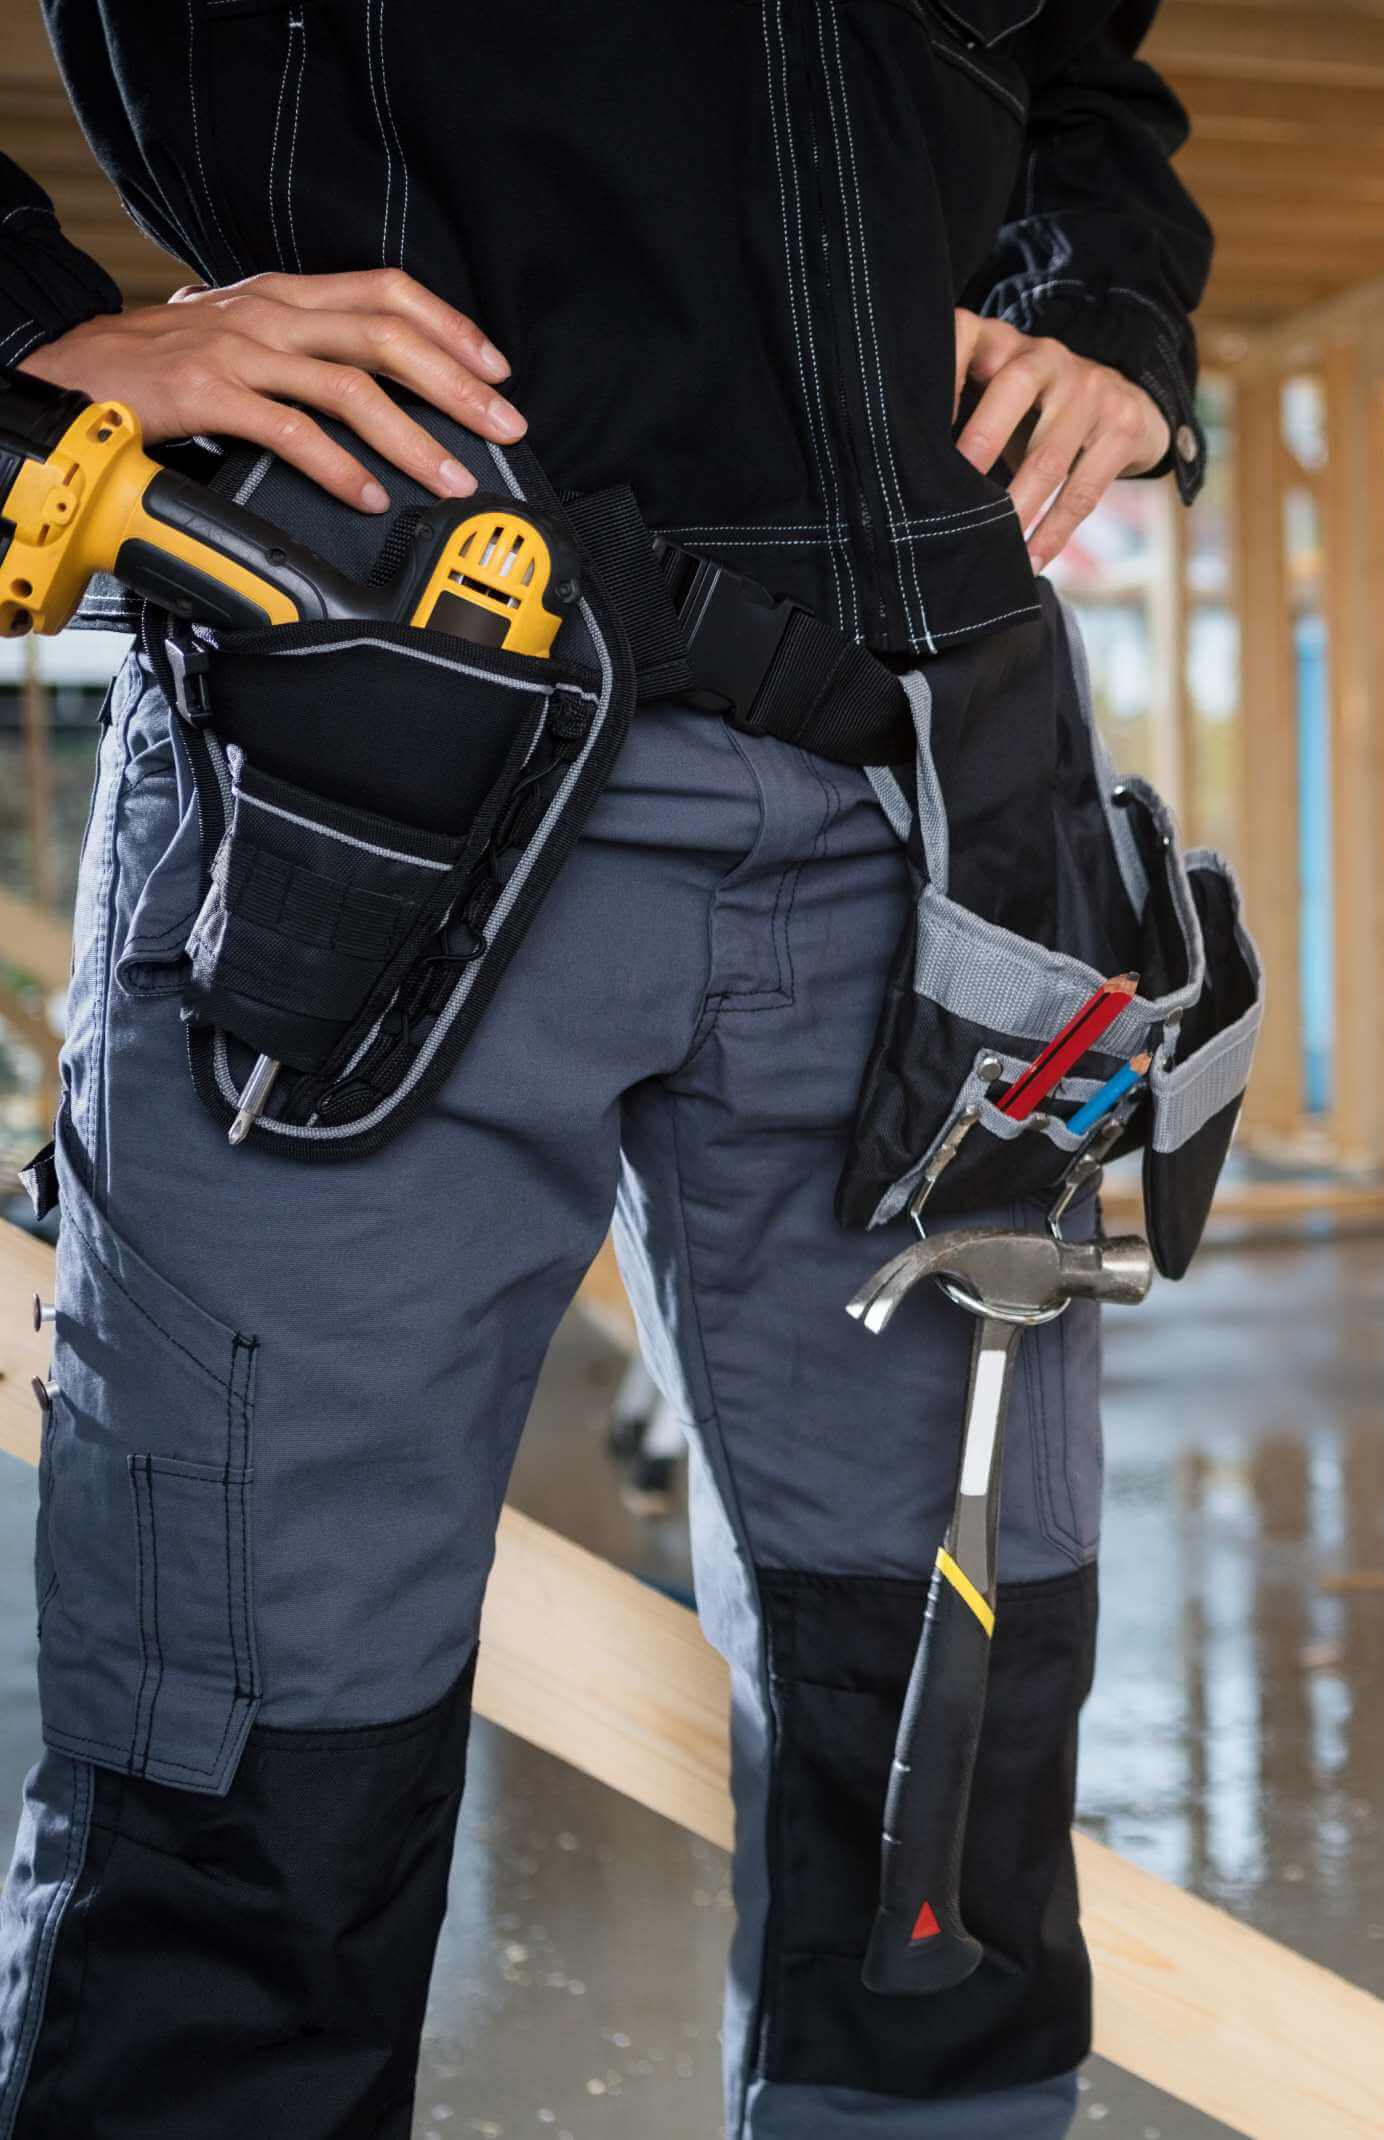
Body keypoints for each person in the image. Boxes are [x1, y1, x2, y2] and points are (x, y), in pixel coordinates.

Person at [0, 4, 1210, 2133]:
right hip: (375, 740)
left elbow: (1081, 79)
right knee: (249, 1761)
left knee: (945, 1740)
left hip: (930, 787)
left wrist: (1098, 292)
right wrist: (18, 322)